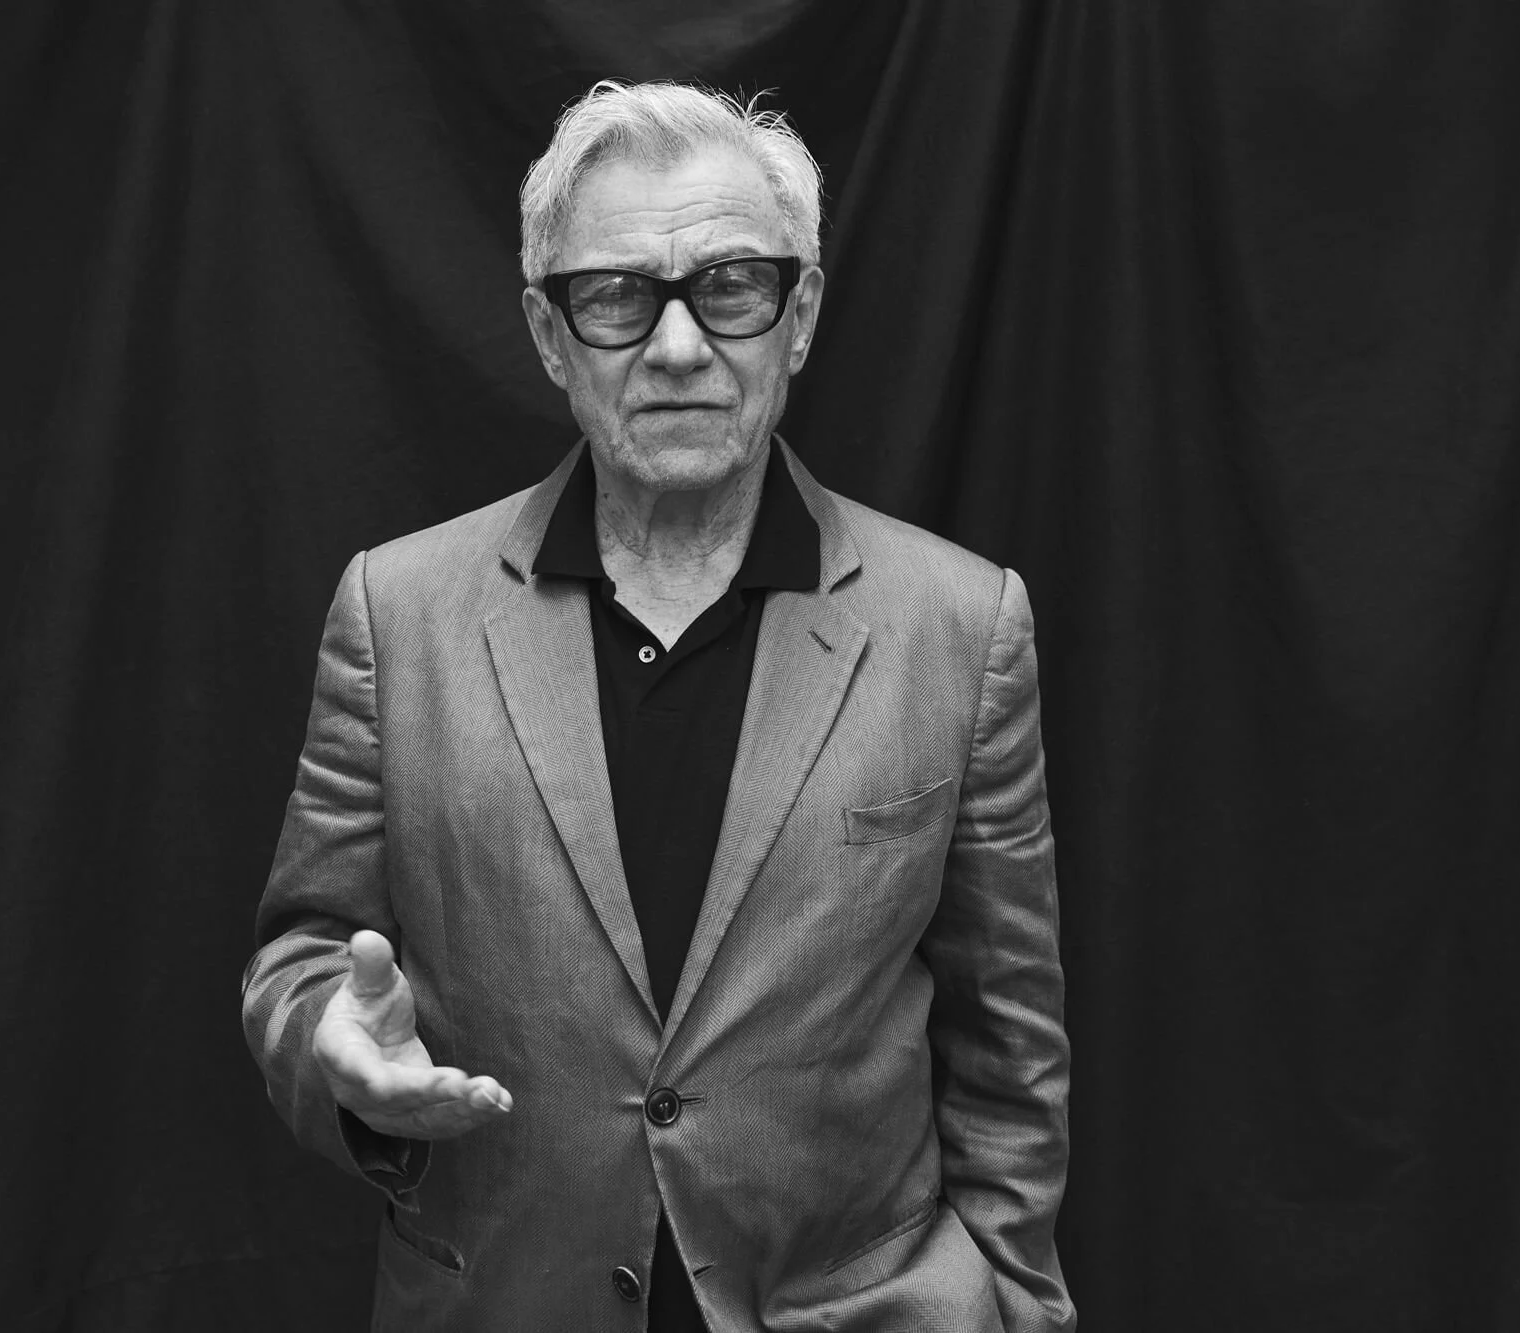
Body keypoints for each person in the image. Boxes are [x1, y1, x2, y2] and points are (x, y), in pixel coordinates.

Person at [242, 79, 1074, 1332]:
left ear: (796, 319)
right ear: (547, 331)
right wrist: (335, 1055)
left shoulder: (960, 627)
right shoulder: (394, 613)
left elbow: (1012, 1056)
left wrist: (1015, 1306)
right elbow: (301, 957)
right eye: (620, 297)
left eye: (731, 285)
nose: (679, 348)